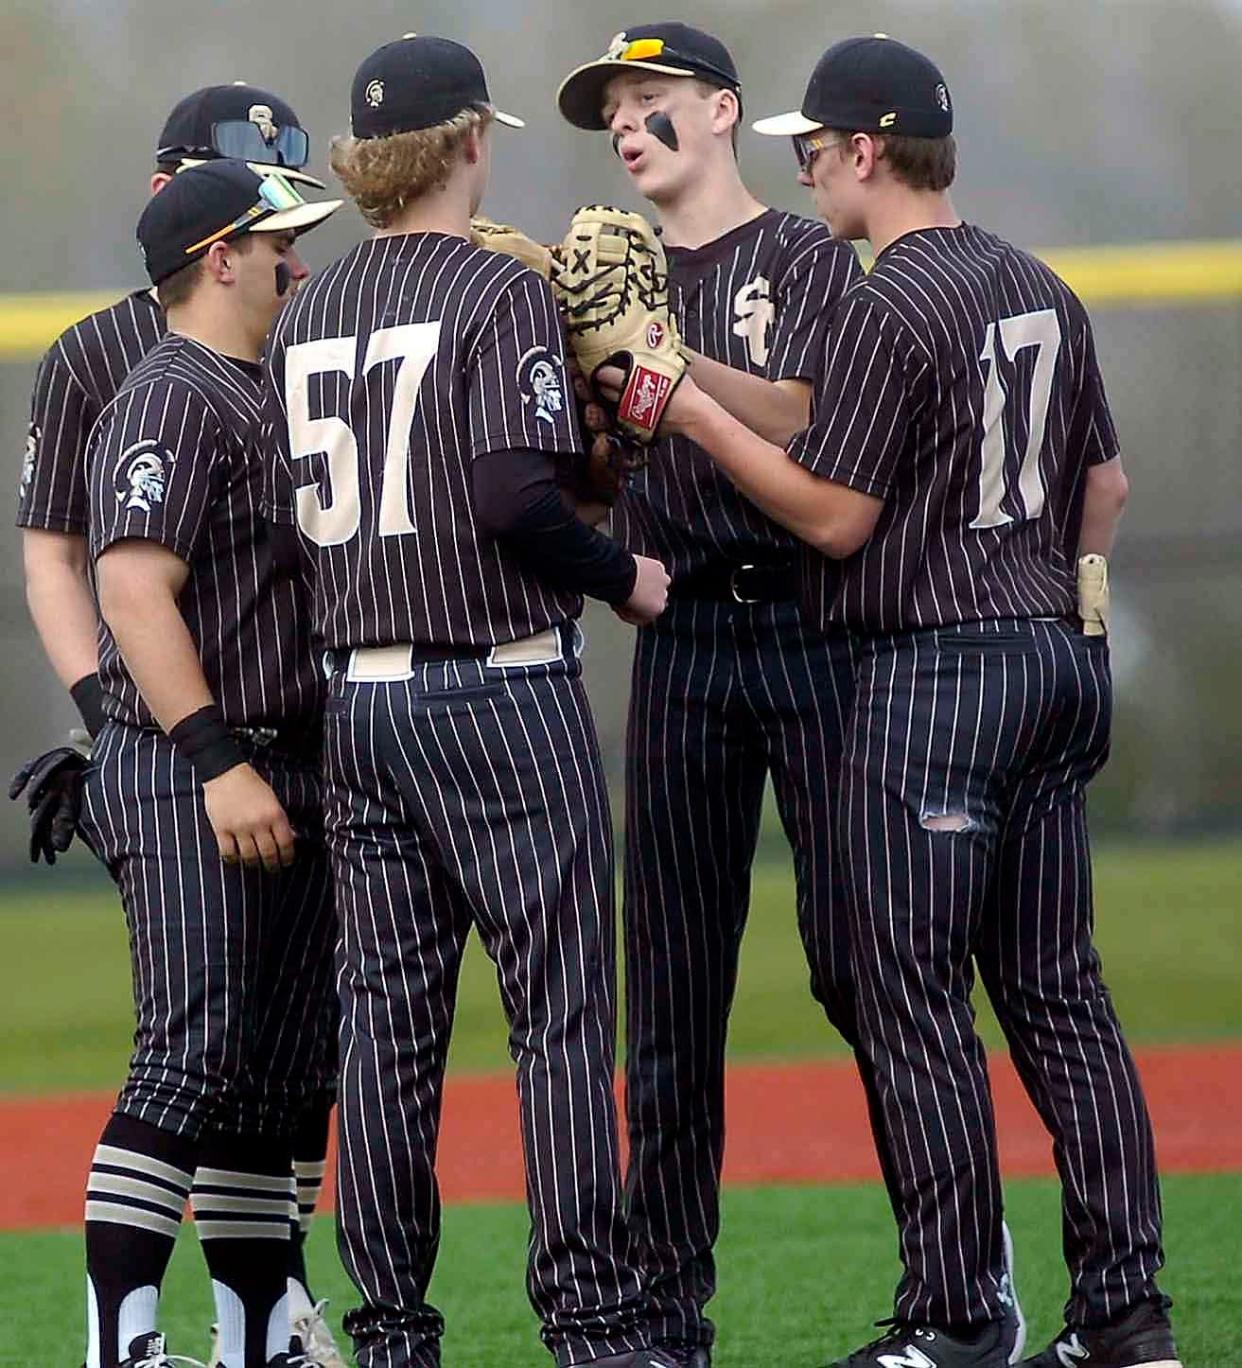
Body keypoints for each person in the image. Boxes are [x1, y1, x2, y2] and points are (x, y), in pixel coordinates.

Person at [656, 32, 1178, 1368]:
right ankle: (1125, 1316)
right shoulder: (1035, 281)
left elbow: (830, 516)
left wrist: (692, 425)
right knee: (1059, 997)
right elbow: (1102, 490)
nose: (807, 170)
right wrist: (680, 368)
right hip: (1056, 661)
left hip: (932, 678)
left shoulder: (883, 298)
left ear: (869, 150)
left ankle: (952, 1319)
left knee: (904, 995)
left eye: (814, 150)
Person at [262, 33, 676, 1368]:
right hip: (495, 692)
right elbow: (517, 498)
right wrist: (624, 577)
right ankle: (591, 1326)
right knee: (556, 1019)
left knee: (385, 1031)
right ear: (464, 144)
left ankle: (389, 1334)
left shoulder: (307, 308)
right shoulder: (497, 292)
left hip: (360, 709)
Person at [13, 84, 346, 1367]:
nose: (295, 256)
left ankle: (261, 1331)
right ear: (212, 241)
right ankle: (122, 1344)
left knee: (275, 1077)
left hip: (291, 756)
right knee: (193, 1053)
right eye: (274, 232)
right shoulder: (143, 375)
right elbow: (103, 572)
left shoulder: (279, 359)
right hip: (197, 753)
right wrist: (160, 738)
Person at [555, 26, 869, 1363]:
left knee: (868, 968)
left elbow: (803, 415)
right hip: (679, 635)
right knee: (672, 1003)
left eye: (650, 101)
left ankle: (962, 1286)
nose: (626, 125)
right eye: (612, 111)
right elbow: (593, 482)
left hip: (805, 631)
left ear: (721, 109)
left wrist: (659, 364)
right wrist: (587, 407)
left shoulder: (796, 255)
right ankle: (663, 1313)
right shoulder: (604, 276)